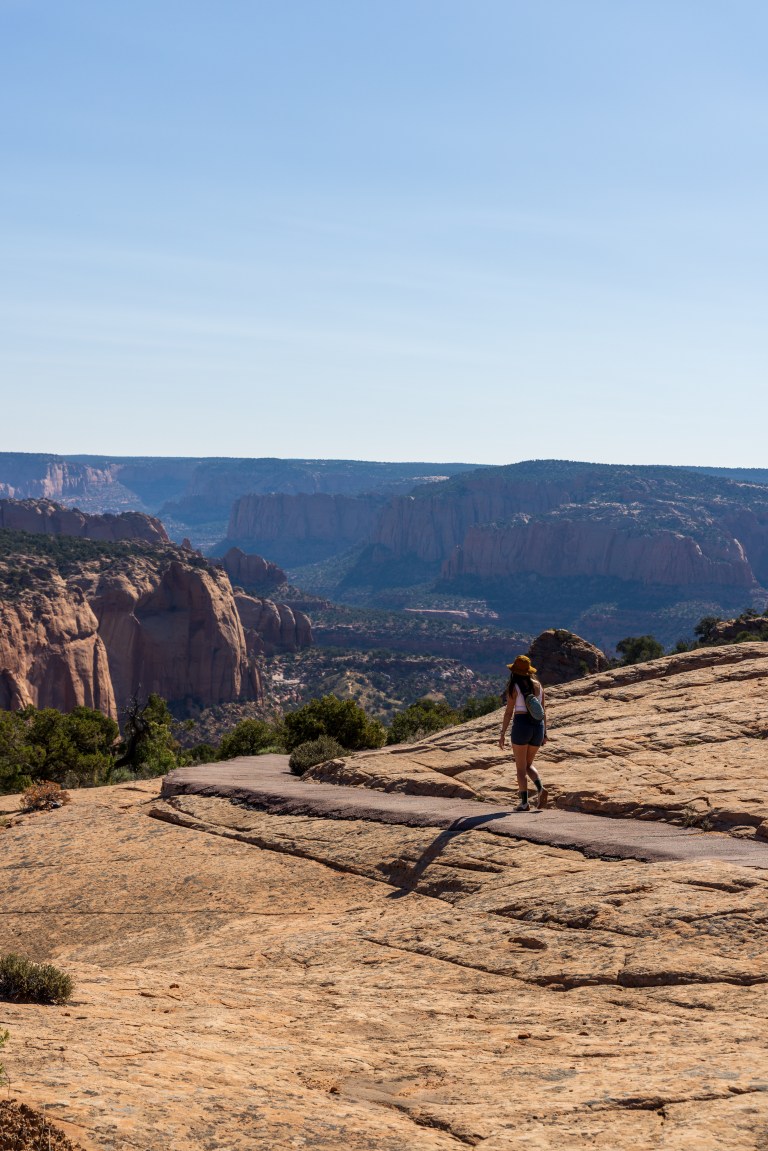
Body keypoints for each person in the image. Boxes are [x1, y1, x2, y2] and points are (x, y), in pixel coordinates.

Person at [498, 654, 548, 812]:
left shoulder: (514, 687)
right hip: (537, 727)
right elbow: (543, 710)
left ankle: (524, 803)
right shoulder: (539, 686)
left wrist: (502, 734)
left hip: (521, 726)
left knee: (520, 767)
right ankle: (540, 788)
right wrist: (545, 732)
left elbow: (508, 712)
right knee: (528, 764)